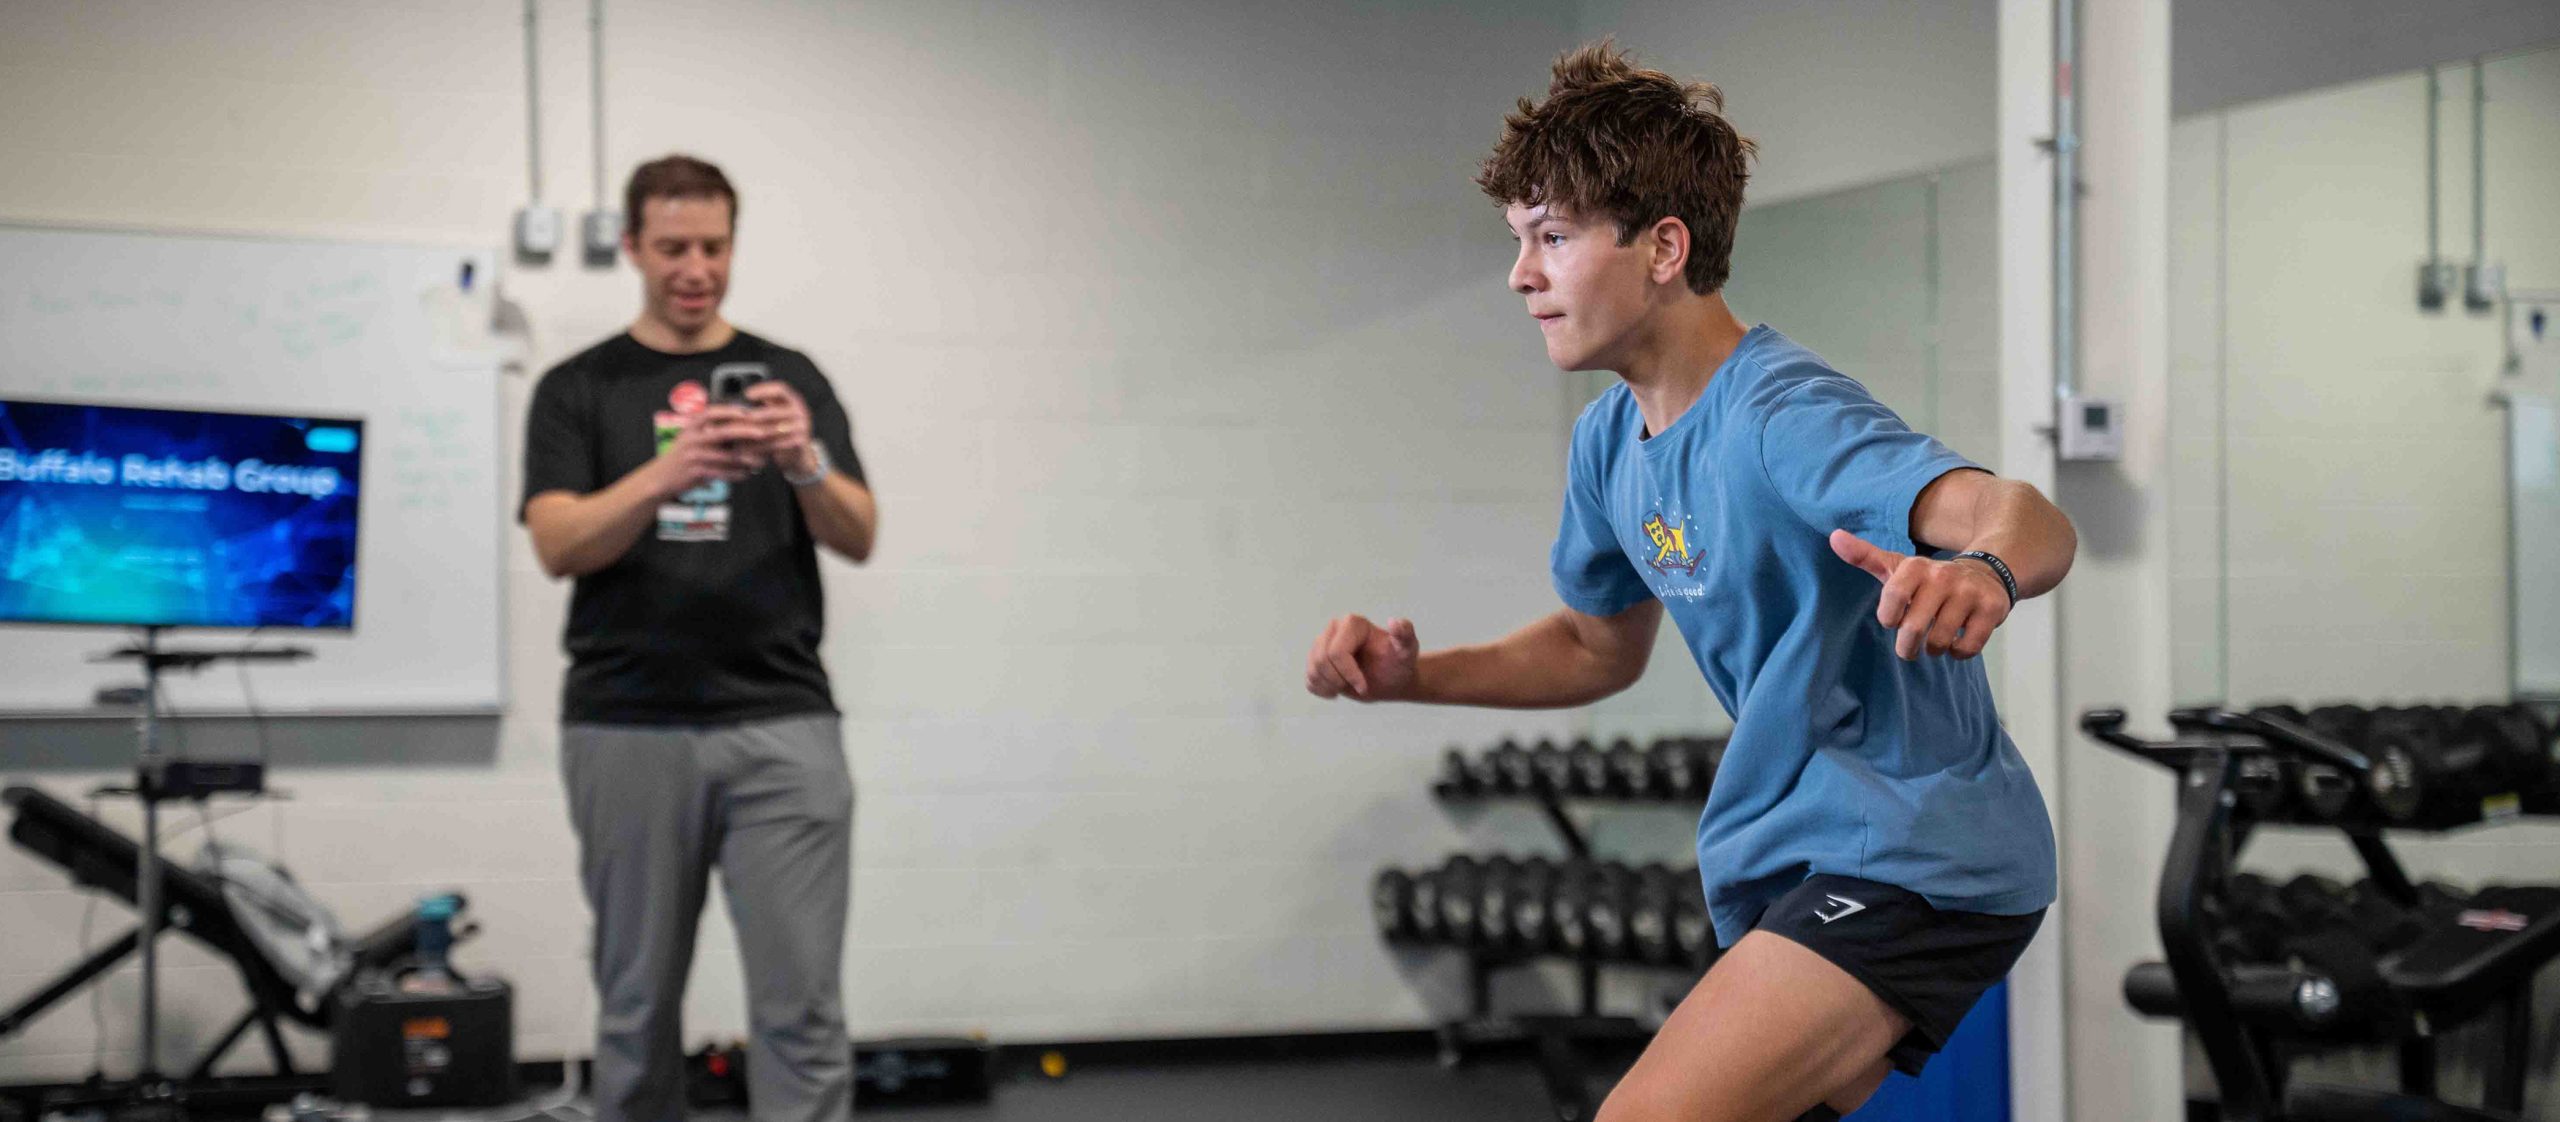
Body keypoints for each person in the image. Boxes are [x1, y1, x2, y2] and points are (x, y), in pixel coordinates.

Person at [1303, 44, 2072, 1122]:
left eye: (1553, 238)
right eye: (1519, 241)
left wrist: (1985, 569)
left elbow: (2025, 515)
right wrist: (1409, 678)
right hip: (1799, 856)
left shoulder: (1780, 415)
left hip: (1914, 853)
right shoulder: (1610, 441)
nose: (1520, 274)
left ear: (1664, 247)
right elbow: (1590, 648)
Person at [520, 153, 878, 1122]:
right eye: (673, 246)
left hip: (783, 724)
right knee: (636, 1011)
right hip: (626, 727)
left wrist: (802, 462)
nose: (696, 267)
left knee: (801, 1008)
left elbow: (859, 535)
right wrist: (665, 476)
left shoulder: (791, 379)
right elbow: (556, 542)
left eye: (713, 247)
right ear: (632, 246)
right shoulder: (578, 389)